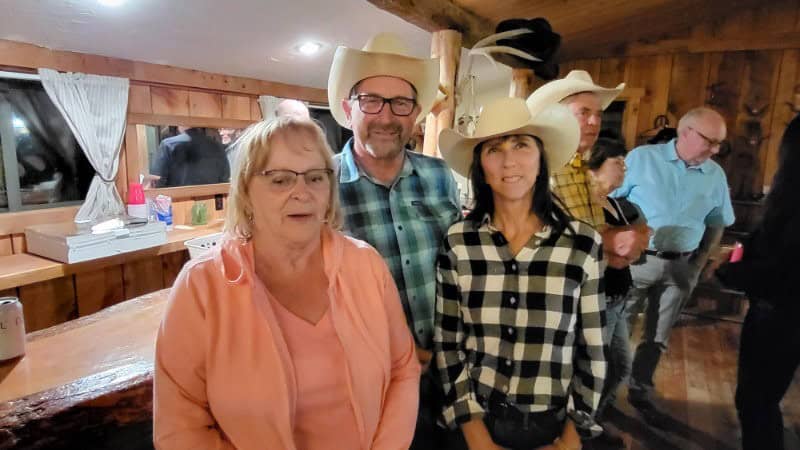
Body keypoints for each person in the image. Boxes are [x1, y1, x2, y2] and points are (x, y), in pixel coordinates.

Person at [153, 117, 420, 449]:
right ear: (246, 192)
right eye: (280, 180)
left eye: (315, 178)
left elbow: (403, 369)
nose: (302, 193)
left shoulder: (365, 264)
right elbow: (179, 429)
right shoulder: (201, 287)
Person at [435, 96, 606, 450]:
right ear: (480, 166)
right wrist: (476, 437)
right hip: (476, 421)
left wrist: (570, 442)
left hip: (550, 426)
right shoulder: (458, 242)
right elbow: (448, 344)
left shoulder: (582, 244)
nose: (509, 160)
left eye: (522, 145)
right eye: (494, 149)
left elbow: (593, 352)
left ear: (541, 160)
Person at [328, 33, 462, 448]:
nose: (386, 116)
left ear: (416, 115)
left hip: (451, 368)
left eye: (401, 103)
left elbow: (458, 266)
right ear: (349, 109)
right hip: (368, 379)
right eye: (371, 100)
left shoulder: (440, 176)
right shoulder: (318, 185)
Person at [613, 107, 735, 424]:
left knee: (658, 336)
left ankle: (640, 390)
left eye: (720, 144)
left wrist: (697, 265)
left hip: (682, 265)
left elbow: (718, 223)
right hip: (635, 262)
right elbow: (609, 201)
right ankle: (608, 395)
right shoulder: (641, 158)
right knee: (618, 330)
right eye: (710, 141)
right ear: (685, 133)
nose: (716, 150)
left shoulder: (715, 175)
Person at [713, 113, 800, 450]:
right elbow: (769, 242)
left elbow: (784, 272)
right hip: (781, 314)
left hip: (781, 317)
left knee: (757, 401)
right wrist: (745, 249)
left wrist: (728, 271)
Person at [526, 70, 645, 272]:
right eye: (584, 112)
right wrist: (611, 241)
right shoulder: (539, 167)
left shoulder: (580, 168)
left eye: (598, 114)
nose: (595, 122)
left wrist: (611, 252)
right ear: (557, 116)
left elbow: (589, 228)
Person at [585, 137, 647, 448]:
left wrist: (624, 249)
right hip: (600, 299)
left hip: (619, 297)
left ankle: (593, 420)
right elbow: (606, 253)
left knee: (620, 367)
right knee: (598, 369)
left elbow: (634, 249)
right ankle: (585, 428)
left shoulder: (615, 204)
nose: (624, 168)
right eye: (616, 162)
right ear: (593, 169)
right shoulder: (587, 206)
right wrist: (619, 249)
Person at [151, 126, 230, 187]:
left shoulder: (168, 145)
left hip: (177, 204)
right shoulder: (218, 147)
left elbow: (156, 181)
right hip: (213, 203)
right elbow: (225, 179)